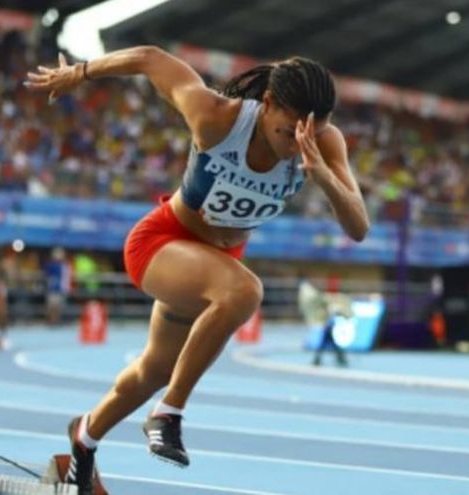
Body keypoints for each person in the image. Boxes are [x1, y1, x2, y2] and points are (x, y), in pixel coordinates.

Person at [26, 47, 369, 494]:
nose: (295, 145)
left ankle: (85, 436)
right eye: (288, 131)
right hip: (162, 244)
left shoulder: (324, 144)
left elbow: (358, 226)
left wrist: (321, 174)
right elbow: (150, 58)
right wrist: (81, 72)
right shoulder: (217, 117)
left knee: (154, 370)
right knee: (244, 292)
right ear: (267, 104)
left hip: (211, 266)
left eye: (310, 132)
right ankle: (169, 413)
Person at [297, 277, 350, 366]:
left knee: (327, 341)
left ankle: (320, 359)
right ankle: (337, 357)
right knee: (328, 341)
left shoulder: (329, 297)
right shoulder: (320, 297)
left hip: (328, 323)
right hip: (327, 323)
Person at [44, 247, 71, 325]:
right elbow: (46, 274)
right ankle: (51, 320)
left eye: (60, 254)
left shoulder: (64, 265)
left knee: (59, 306)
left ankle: (57, 320)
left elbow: (66, 277)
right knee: (52, 305)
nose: (59, 256)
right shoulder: (50, 265)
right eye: (57, 254)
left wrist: (66, 287)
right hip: (52, 288)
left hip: (60, 288)